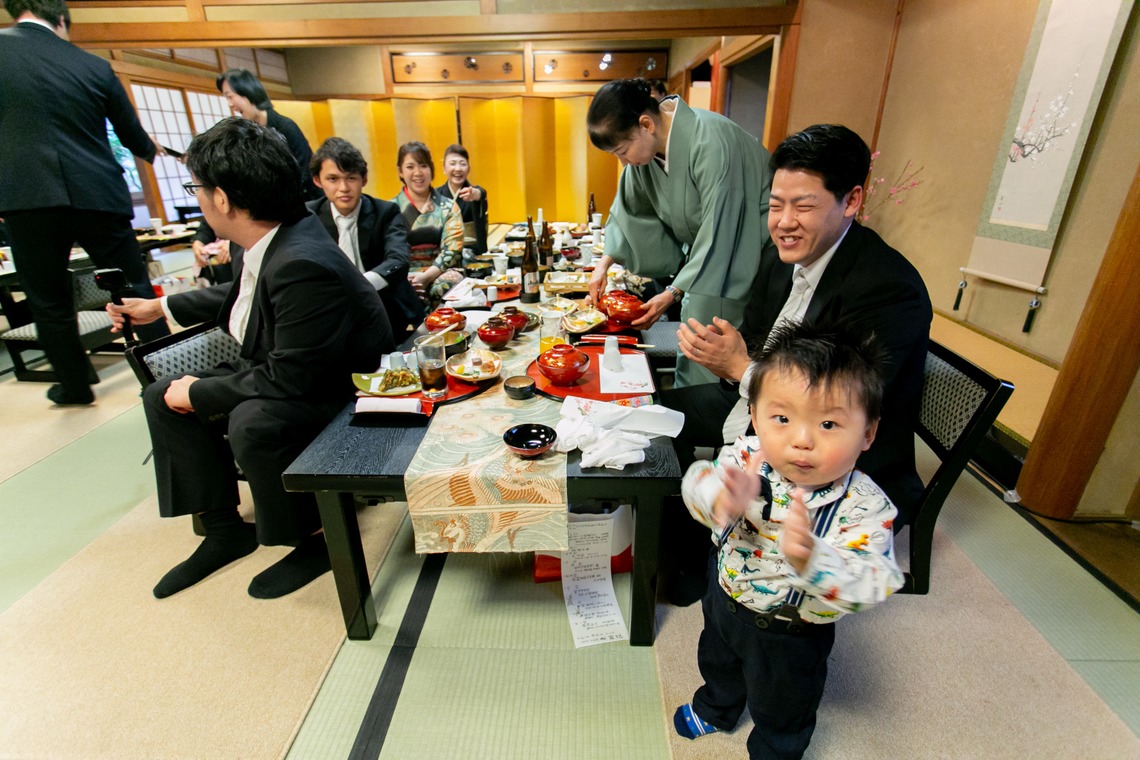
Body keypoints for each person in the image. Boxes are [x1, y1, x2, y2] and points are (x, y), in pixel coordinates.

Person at [107, 118, 394, 600]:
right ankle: (223, 529)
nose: (197, 197)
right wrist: (160, 306)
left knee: (253, 420)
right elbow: (246, 296)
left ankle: (317, 539)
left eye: (196, 187)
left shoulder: (301, 260)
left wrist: (199, 391)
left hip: (340, 386)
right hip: (286, 360)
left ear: (221, 198)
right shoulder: (269, 236)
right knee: (159, 395)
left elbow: (291, 377)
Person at [661, 125, 931, 604]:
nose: (783, 222)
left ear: (851, 201)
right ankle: (681, 547)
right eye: (775, 205)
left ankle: (696, 571)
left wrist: (740, 366)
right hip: (764, 404)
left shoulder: (887, 287)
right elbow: (765, 340)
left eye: (803, 206)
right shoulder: (780, 259)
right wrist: (734, 351)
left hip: (830, 447)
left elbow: (843, 405)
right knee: (655, 415)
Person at [675, 319, 903, 759]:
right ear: (756, 417)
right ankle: (717, 706)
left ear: (868, 433)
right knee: (718, 660)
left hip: (789, 631)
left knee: (784, 704)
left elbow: (876, 580)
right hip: (724, 593)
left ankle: (775, 750)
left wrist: (814, 560)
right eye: (781, 418)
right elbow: (694, 483)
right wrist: (718, 496)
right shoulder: (746, 455)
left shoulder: (865, 505)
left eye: (829, 425)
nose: (801, 441)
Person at [0, 0, 170, 405]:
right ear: (62, 20)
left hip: (29, 197)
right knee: (135, 286)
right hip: (98, 193)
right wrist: (152, 149)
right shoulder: (92, 64)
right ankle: (167, 373)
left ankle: (75, 386)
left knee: (48, 298)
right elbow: (130, 133)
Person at [585, 77, 773, 387]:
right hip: (707, 255)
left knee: (707, 333)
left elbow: (722, 229)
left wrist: (672, 293)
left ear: (646, 124)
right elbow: (632, 210)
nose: (624, 162)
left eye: (623, 150)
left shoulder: (711, 142)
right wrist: (603, 265)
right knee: (694, 329)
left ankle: (707, 416)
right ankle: (691, 407)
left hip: (742, 251)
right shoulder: (644, 158)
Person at [307, 136, 423, 337]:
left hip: (382, 305)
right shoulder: (308, 216)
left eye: (351, 178)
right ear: (318, 180)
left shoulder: (386, 212)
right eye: (333, 179)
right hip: (332, 311)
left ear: (364, 179)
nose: (343, 188)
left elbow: (398, 259)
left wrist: (359, 286)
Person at [216, 67, 321, 201]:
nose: (230, 104)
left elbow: (305, 170)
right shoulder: (248, 133)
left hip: (305, 202)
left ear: (248, 92)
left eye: (230, 97)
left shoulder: (286, 127)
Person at [392, 141, 464, 307]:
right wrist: (409, 277)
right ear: (400, 172)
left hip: (438, 271)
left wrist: (426, 277)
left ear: (431, 170)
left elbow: (452, 250)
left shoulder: (447, 207)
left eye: (423, 166)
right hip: (405, 274)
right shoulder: (391, 209)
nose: (418, 173)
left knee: (449, 283)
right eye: (410, 167)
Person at [437, 143, 489, 256]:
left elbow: (481, 193)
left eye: (462, 164)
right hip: (444, 254)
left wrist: (477, 196)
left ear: (468, 169)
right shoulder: (436, 196)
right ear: (444, 168)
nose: (458, 169)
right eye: (452, 164)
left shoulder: (474, 193)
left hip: (473, 254)